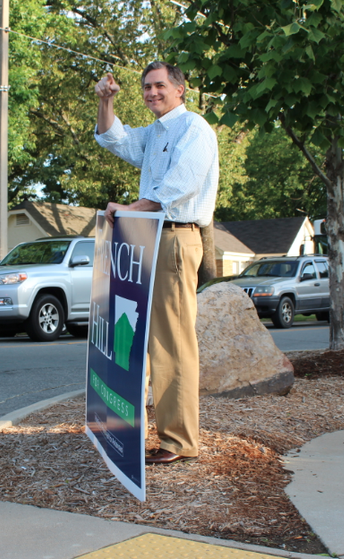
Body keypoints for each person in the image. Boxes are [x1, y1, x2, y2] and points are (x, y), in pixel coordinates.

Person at [94, 61, 219, 465]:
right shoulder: (155, 134)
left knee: (173, 343)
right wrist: (105, 100)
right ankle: (154, 434)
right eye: (146, 87)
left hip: (175, 239)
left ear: (181, 89)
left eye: (160, 86)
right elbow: (116, 139)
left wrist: (128, 209)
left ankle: (180, 443)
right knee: (143, 342)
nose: (151, 93)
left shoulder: (194, 129)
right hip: (149, 239)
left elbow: (177, 189)